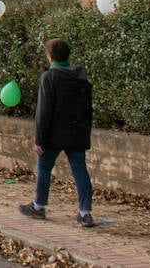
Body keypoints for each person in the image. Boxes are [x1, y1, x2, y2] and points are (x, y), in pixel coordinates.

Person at [20, 38, 96, 228]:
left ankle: (39, 206)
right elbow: (87, 107)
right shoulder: (80, 76)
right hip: (77, 131)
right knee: (80, 170)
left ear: (50, 56)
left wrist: (39, 138)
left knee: (44, 167)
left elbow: (43, 111)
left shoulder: (49, 77)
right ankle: (85, 212)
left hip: (53, 133)